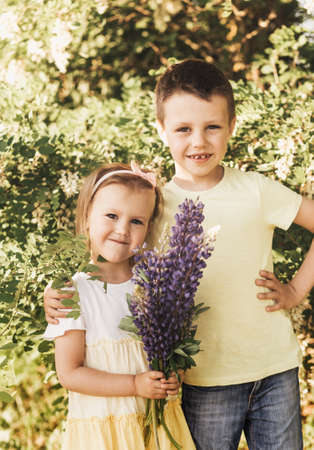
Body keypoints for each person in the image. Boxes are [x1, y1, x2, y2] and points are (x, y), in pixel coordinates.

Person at [44, 60, 314, 450]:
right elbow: (113, 266)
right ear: (161, 130)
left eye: (212, 127)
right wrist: (57, 296)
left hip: (274, 368)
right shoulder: (150, 204)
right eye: (184, 129)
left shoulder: (256, 190)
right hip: (202, 382)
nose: (198, 142)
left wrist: (295, 290)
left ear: (232, 126)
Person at [43, 162, 196, 450]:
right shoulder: (70, 292)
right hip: (106, 434)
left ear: (149, 227)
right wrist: (135, 385)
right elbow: (70, 373)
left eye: (136, 221)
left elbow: (171, 354)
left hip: (159, 429)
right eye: (111, 216)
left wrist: (172, 378)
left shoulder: (156, 285)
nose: (122, 229)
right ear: (88, 216)